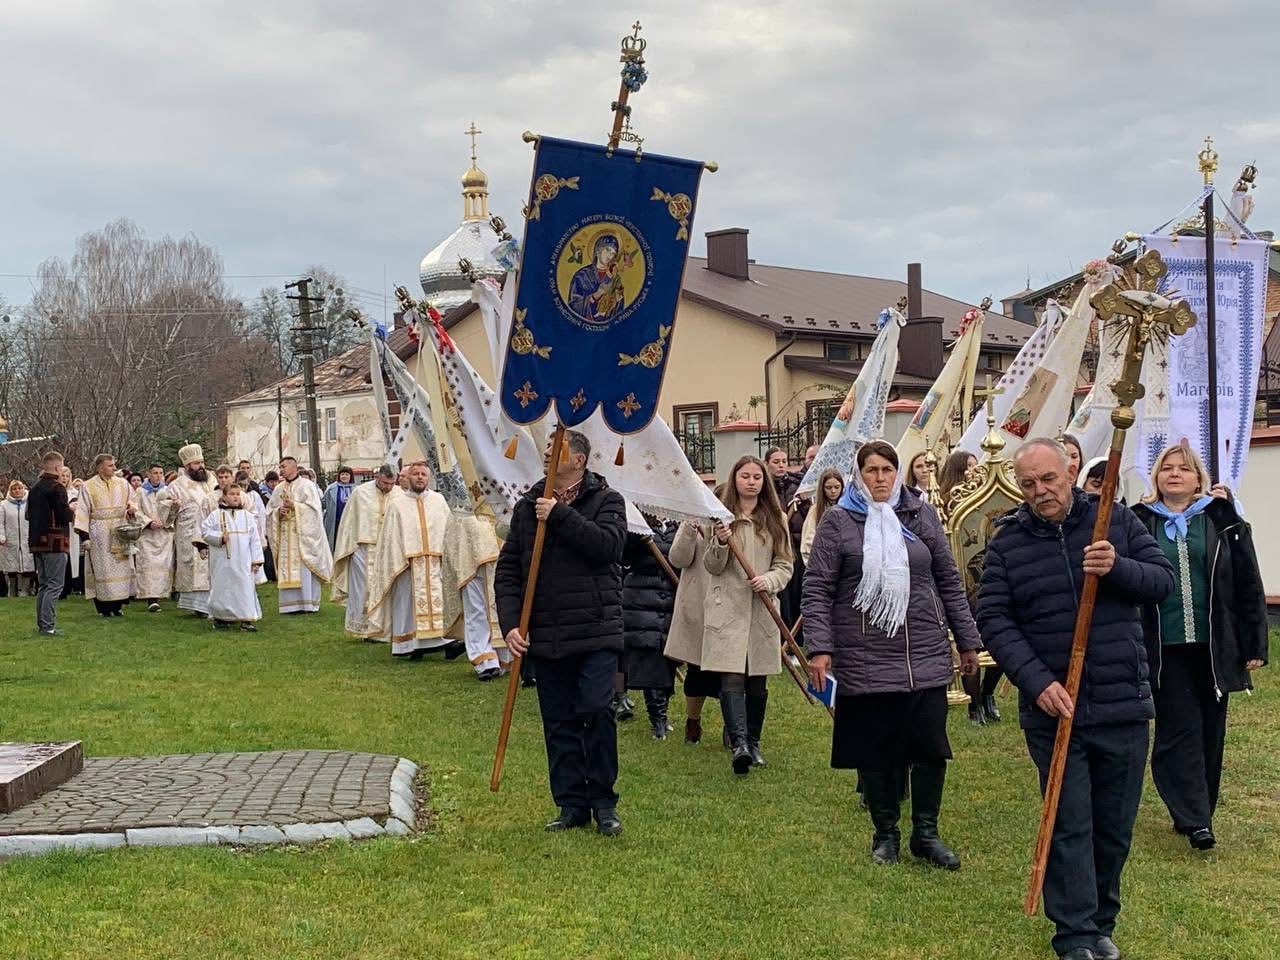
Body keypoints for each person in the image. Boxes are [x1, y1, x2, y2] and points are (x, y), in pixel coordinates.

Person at [977, 437, 1173, 960]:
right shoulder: (1007, 542)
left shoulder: (1116, 522)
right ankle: (1075, 934)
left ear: (1068, 470)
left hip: (1120, 700)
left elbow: (1161, 582)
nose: (1041, 492)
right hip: (1053, 708)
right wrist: (1037, 682)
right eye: (1028, 485)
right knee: (1068, 823)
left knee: (1113, 826)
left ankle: (1101, 922)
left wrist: (1118, 567)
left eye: (1048, 479)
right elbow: (993, 619)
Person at [803, 440, 980, 870]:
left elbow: (948, 579)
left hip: (923, 651)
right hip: (865, 652)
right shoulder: (840, 522)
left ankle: (926, 833)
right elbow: (818, 589)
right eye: (871, 470)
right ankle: (886, 833)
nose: (880, 478)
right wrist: (820, 648)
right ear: (858, 476)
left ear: (897, 473)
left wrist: (968, 638)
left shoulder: (921, 516)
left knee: (929, 747)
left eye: (887, 469)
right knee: (877, 749)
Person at [1131, 443, 1267, 851]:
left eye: (1184, 469)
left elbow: (1247, 581)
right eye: (1166, 469)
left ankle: (1198, 807)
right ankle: (1195, 819)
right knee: (1179, 727)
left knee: (1211, 728)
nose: (1175, 475)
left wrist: (1254, 642)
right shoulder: (1138, 523)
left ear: (1198, 479)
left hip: (1213, 646)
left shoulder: (1221, 520)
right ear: (1155, 478)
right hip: (1165, 646)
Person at [496, 430, 627, 835]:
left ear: (580, 461)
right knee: (558, 721)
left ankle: (604, 802)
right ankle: (571, 803)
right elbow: (509, 571)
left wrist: (558, 515)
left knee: (594, 709)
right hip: (548, 634)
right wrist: (512, 625)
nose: (549, 453)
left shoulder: (606, 501)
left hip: (595, 629)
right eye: (548, 449)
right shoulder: (526, 507)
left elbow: (607, 547)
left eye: (557, 449)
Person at [695, 455, 793, 775]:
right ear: (734, 480)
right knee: (731, 675)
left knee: (757, 680)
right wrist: (721, 543)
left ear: (764, 482)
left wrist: (768, 580)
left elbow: (785, 565)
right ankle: (738, 745)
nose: (751, 482)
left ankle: (754, 742)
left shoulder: (775, 519)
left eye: (756, 477)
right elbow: (712, 566)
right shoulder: (720, 519)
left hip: (761, 607)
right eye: (744, 476)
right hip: (728, 608)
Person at [363, 461, 455, 656]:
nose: (420, 477)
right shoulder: (398, 504)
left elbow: (448, 530)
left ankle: (443, 641)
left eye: (423, 474)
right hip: (406, 564)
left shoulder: (439, 501)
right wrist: (400, 558)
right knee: (407, 603)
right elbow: (390, 538)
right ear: (407, 478)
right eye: (416, 474)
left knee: (440, 601)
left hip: (435, 562)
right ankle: (409, 644)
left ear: (429, 478)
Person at [664, 512, 721, 744]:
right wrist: (689, 528)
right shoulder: (694, 524)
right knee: (697, 671)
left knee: (733, 675)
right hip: (699, 604)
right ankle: (693, 720)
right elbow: (677, 559)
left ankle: (734, 726)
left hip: (729, 607)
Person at [621, 516, 679, 739]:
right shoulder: (636, 524)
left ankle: (664, 712)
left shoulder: (678, 525)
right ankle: (658, 719)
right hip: (641, 600)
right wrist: (636, 535)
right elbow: (623, 555)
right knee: (651, 662)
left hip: (672, 598)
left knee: (668, 662)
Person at [332, 465, 401, 640]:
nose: (388, 487)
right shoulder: (360, 493)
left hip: (389, 548)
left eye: (392, 483)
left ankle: (386, 629)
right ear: (377, 477)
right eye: (385, 483)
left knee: (388, 587)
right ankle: (364, 628)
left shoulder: (400, 494)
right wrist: (349, 549)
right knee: (363, 590)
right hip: (363, 549)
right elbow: (348, 524)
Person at [444, 512, 508, 679]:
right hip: (469, 556)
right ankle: (484, 660)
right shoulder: (461, 499)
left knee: (502, 607)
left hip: (500, 556)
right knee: (475, 609)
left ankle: (503, 657)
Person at [265, 456, 333, 614]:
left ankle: (307, 604)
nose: (281, 469)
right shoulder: (278, 488)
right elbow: (269, 511)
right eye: (280, 466)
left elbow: (315, 511)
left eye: (284, 466)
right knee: (287, 567)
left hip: (303, 537)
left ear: (294, 467)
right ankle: (290, 605)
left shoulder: (307, 486)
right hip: (285, 536)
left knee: (304, 569)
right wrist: (278, 513)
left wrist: (295, 506)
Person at [74, 453, 137, 617]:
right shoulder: (88, 486)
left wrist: (131, 509)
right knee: (102, 570)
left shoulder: (123, 483)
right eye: (110, 465)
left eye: (114, 465)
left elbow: (133, 501)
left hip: (119, 529)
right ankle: (103, 607)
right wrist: (84, 536)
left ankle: (118, 606)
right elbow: (82, 512)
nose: (114, 468)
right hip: (99, 533)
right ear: (100, 467)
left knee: (121, 568)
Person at [196, 483, 264, 630]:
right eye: (232, 494)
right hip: (222, 561)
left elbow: (255, 539)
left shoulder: (247, 516)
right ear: (224, 497)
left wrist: (256, 560)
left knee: (244, 588)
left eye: (238, 494)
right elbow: (205, 532)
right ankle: (221, 618)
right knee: (223, 588)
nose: (236, 497)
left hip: (243, 561)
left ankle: (246, 620)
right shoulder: (215, 515)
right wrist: (219, 537)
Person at [161, 444, 218, 617]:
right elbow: (165, 517)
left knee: (211, 568)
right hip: (188, 532)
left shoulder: (212, 480)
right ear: (186, 466)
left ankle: (214, 603)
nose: (201, 466)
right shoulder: (176, 485)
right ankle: (197, 607)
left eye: (202, 462)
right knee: (193, 568)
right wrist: (173, 506)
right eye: (196, 463)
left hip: (211, 529)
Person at [28, 451, 77, 635]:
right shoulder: (57, 488)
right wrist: (72, 510)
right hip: (55, 542)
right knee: (55, 584)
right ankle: (48, 626)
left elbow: (28, 515)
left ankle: (42, 624)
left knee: (43, 584)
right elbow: (64, 515)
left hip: (37, 542)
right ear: (57, 467)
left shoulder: (34, 489)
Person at [133, 464, 175, 612]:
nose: (158, 475)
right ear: (149, 474)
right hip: (147, 534)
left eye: (160, 473)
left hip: (163, 534)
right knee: (148, 565)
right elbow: (136, 511)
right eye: (155, 473)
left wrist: (168, 517)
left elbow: (172, 512)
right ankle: (151, 598)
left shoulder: (167, 491)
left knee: (163, 566)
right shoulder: (140, 492)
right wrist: (148, 522)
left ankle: (163, 593)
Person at [800, 468, 844, 565]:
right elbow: (808, 541)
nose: (833, 491)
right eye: (828, 488)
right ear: (822, 488)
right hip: (822, 561)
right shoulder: (816, 510)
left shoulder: (846, 508)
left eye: (837, 487)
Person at [1, 480, 34, 597]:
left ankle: (25, 590)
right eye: (14, 489)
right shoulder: (4, 505)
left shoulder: (30, 503)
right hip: (11, 539)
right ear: (10, 491)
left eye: (19, 488)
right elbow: (1, 522)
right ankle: (12, 590)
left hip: (26, 538)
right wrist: (2, 536)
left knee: (27, 564)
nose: (17, 491)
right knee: (11, 566)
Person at [59, 469, 83, 597]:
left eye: (67, 476)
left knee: (72, 556)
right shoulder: (55, 491)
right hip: (60, 526)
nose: (64, 478)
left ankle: (71, 585)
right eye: (62, 475)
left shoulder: (75, 493)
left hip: (71, 527)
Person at [322, 465, 355, 552]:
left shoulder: (356, 489)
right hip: (335, 521)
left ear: (350, 476)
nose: (344, 476)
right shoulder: (331, 488)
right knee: (335, 543)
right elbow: (323, 503)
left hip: (350, 522)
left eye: (347, 474)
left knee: (348, 543)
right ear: (339, 476)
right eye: (342, 474)